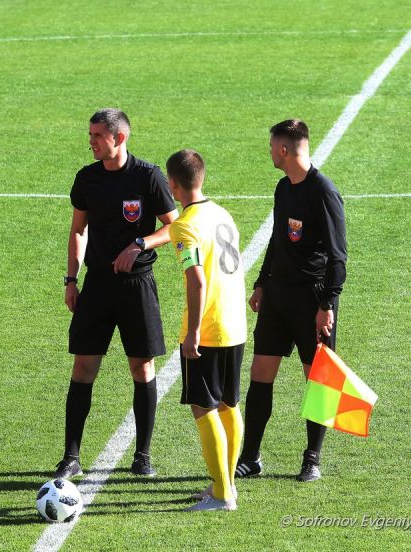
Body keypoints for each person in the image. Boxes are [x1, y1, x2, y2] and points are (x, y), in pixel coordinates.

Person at [54, 108, 178, 479]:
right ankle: (71, 456)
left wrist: (139, 243)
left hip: (137, 286)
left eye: (97, 136)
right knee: (83, 366)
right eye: (90, 134)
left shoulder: (148, 176)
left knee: (142, 367)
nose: (91, 141)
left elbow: (174, 227)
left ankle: (142, 455)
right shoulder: (87, 178)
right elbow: (78, 230)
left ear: (119, 138)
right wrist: (71, 279)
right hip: (97, 285)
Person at [236, 119, 347, 482]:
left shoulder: (323, 192)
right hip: (278, 296)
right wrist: (261, 282)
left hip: (312, 299)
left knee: (317, 379)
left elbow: (338, 256)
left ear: (284, 150)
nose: (269, 152)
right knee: (260, 373)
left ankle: (312, 459)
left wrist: (327, 305)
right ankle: (250, 457)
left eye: (272, 146)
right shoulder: (283, 187)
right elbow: (278, 239)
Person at [167, 149, 247, 511]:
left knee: (204, 408)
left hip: (210, 328)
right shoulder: (221, 213)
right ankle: (226, 484)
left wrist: (193, 332)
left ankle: (222, 494)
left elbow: (197, 280)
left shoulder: (184, 225)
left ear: (172, 184)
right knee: (229, 404)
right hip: (235, 324)